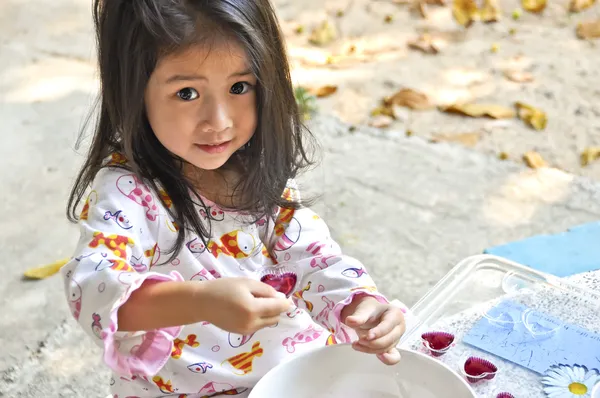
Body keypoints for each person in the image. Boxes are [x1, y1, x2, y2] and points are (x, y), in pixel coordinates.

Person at [61, 1, 408, 397]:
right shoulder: (128, 194)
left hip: (288, 375)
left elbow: (312, 259)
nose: (220, 120)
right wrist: (199, 301)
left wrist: (360, 305)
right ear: (134, 92)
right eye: (187, 92)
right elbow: (91, 288)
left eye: (239, 87)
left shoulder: (257, 169)